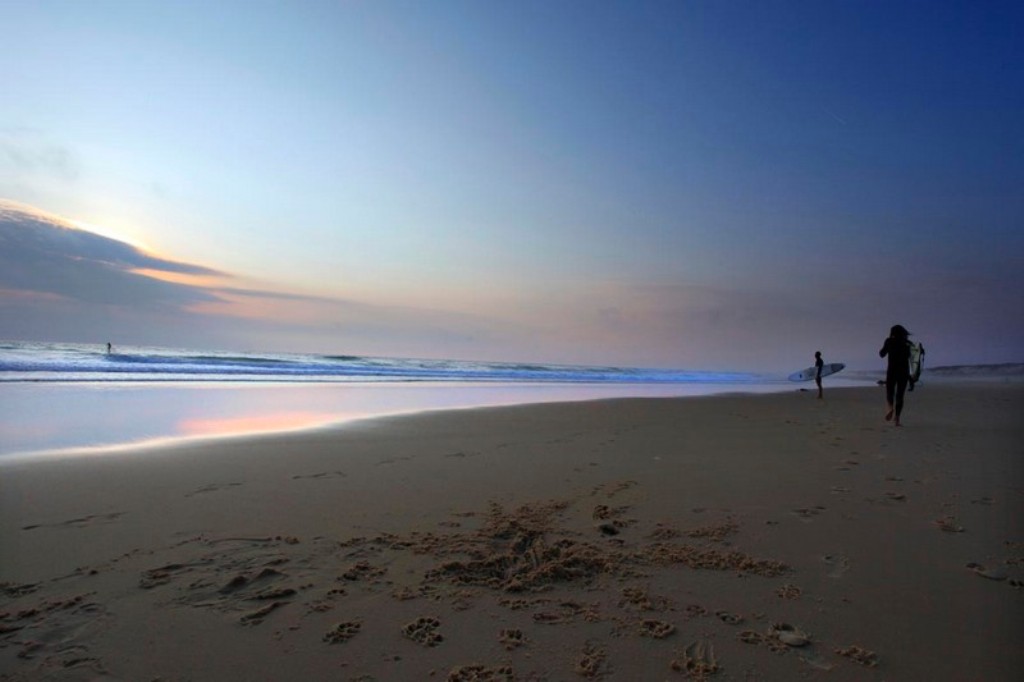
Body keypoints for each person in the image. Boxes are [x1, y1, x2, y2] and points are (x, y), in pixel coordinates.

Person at [879, 324, 912, 426]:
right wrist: (911, 378)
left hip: (892, 371)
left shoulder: (889, 341)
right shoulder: (907, 344)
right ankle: (897, 419)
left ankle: (890, 407)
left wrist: (887, 347)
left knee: (890, 392)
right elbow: (910, 359)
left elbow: (881, 354)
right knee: (900, 396)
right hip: (904, 373)